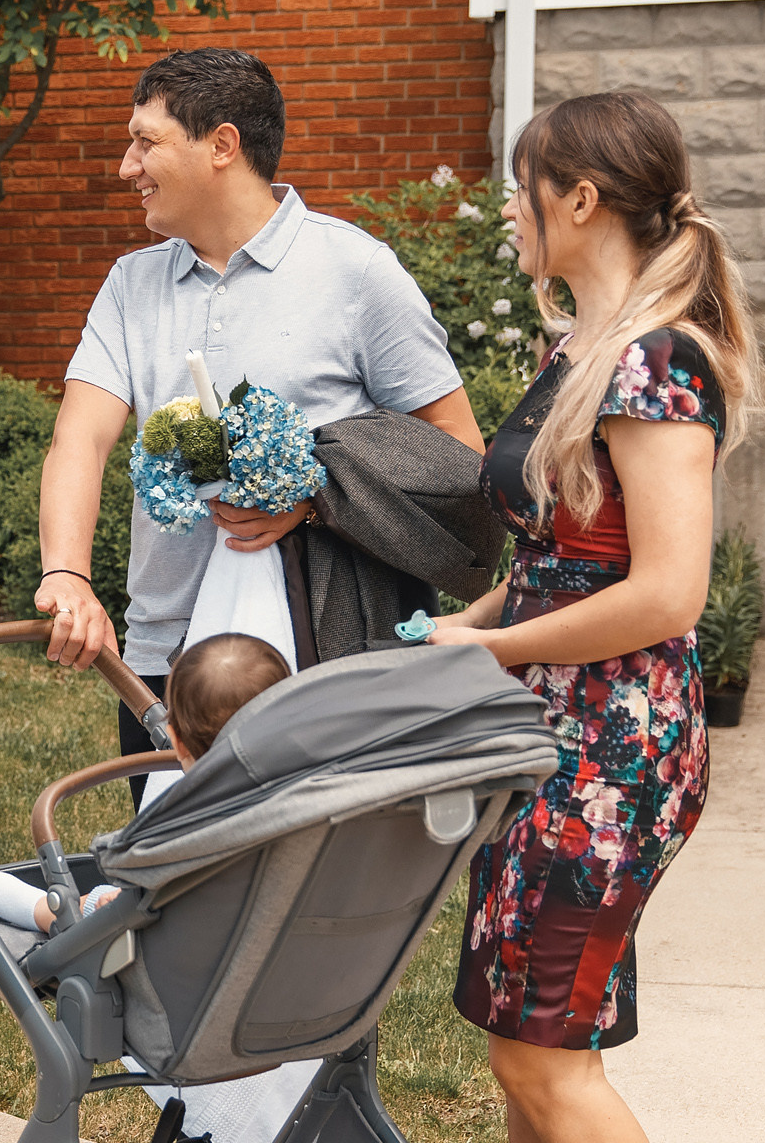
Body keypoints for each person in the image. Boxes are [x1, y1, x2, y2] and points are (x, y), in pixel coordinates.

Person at [425, 90, 757, 1143]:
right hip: (545, 735)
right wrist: (469, 627)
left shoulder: (657, 363)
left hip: (615, 751)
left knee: (548, 1056)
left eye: (522, 189)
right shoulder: (580, 350)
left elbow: (666, 592)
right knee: (521, 1051)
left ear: (577, 201)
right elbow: (567, 549)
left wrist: (496, 638)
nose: (509, 212)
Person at [36, 47, 484, 778]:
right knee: (176, 881)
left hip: (318, 656)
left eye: (145, 141)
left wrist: (317, 496)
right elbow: (79, 440)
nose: (127, 165)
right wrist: (68, 574)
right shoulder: (130, 284)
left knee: (318, 884)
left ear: (221, 145)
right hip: (164, 662)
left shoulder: (357, 272)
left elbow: (458, 456)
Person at [0, 632, 290, 934]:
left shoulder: (177, 833)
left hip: (184, 945)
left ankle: (44, 912)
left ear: (176, 741)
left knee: (107, 901)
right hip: (282, 947)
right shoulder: (309, 806)